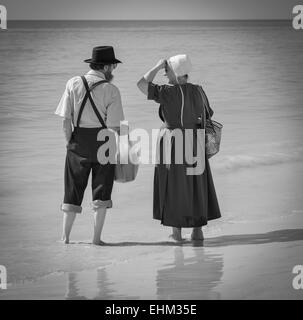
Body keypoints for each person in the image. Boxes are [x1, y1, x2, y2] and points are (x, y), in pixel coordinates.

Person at [137, 54, 221, 241]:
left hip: (173, 142)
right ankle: (197, 231)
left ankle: (176, 233)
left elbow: (141, 84)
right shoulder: (199, 90)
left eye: (167, 71)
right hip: (195, 140)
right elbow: (207, 114)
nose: (165, 75)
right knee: (196, 184)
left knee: (173, 185)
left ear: (176, 72)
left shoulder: (167, 91)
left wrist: (156, 66)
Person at [55, 46, 124, 245]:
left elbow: (65, 120)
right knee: (101, 192)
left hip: (77, 143)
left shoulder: (73, 83)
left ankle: (65, 238)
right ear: (106, 67)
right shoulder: (111, 90)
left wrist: (69, 143)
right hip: (104, 143)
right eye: (113, 67)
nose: (113, 71)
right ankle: (96, 239)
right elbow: (114, 126)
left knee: (72, 191)